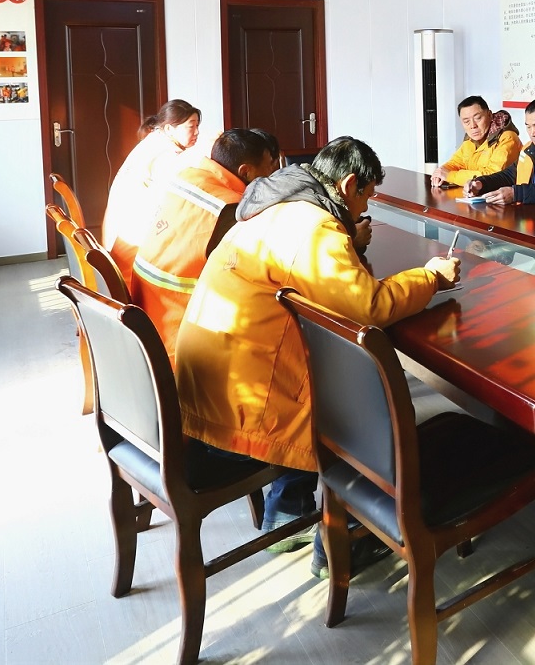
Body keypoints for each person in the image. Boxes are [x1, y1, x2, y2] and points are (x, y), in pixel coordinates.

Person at [174, 136, 461, 568]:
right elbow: (368, 306)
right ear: (348, 185)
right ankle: (343, 534)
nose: (365, 208)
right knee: (358, 400)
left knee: (335, 378)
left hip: (204, 386)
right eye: (366, 196)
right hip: (245, 405)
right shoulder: (315, 226)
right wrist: (431, 277)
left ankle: (299, 512)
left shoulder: (275, 205)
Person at [127, 129, 278, 359]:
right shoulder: (230, 208)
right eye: (268, 169)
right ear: (245, 171)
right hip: (178, 336)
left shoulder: (187, 176)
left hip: (145, 313)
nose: (272, 176)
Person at [103, 99, 202, 281]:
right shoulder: (167, 155)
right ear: (169, 128)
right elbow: (177, 198)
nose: (197, 132)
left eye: (197, 126)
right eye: (191, 126)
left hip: (116, 237)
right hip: (131, 250)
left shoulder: (155, 140)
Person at [429, 95, 521, 189]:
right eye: (466, 121)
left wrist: (451, 176)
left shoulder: (507, 138)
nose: (473, 126)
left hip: (500, 195)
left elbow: (492, 176)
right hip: (474, 192)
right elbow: (456, 163)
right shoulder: (470, 140)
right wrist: (441, 172)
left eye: (478, 118)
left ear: (490, 115)